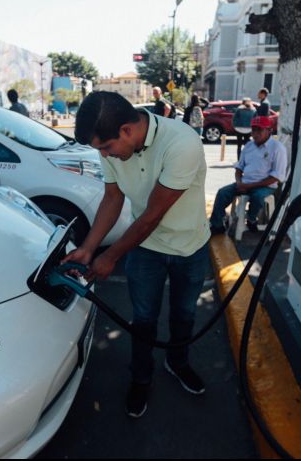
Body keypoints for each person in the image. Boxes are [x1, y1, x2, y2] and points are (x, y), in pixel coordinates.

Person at [64, 91, 210, 418]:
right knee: (143, 320)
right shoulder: (112, 144)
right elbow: (113, 198)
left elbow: (151, 216)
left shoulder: (181, 143)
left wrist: (110, 256)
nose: (106, 155)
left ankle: (177, 362)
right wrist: (88, 248)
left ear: (127, 130)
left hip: (190, 246)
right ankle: (141, 378)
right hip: (145, 250)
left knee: (184, 315)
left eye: (106, 147)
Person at [209, 115, 287, 235]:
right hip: (245, 183)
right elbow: (239, 167)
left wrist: (250, 186)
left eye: (259, 130)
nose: (255, 134)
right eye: (253, 130)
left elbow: (276, 176)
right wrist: (239, 182)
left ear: (269, 130)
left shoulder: (277, 148)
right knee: (223, 192)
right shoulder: (249, 146)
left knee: (257, 197)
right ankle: (217, 224)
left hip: (265, 186)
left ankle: (251, 219)